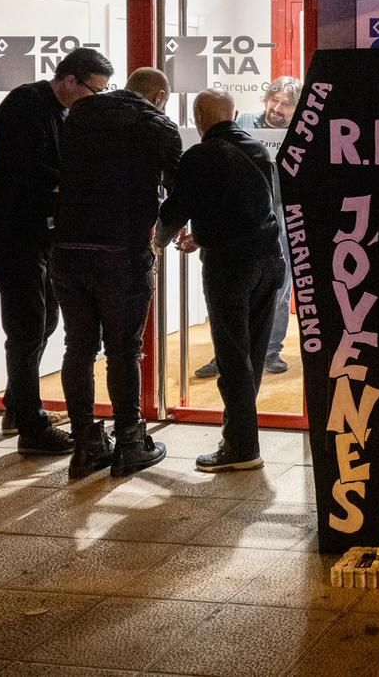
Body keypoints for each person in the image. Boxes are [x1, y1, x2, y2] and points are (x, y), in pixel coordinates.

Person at [0, 47, 113, 456]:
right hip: (11, 234)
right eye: (94, 90)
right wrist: (76, 184)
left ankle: (18, 406)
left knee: (44, 320)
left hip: (38, 236)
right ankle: (31, 427)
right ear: (70, 80)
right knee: (26, 327)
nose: (95, 99)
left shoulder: (67, 112)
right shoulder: (25, 103)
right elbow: (26, 169)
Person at [52, 67, 181, 479]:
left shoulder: (77, 116)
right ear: (159, 95)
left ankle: (86, 445)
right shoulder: (157, 124)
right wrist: (166, 233)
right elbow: (178, 190)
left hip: (69, 249)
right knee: (124, 349)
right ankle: (129, 441)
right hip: (122, 252)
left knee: (78, 347)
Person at [156, 89, 285, 472]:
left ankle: (242, 448)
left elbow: (177, 208)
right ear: (236, 113)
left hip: (231, 267)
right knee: (252, 356)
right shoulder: (258, 150)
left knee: (232, 358)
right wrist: (204, 234)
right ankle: (241, 436)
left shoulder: (200, 155)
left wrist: (158, 242)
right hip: (268, 261)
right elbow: (249, 207)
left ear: (198, 118)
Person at [196, 75, 299, 380]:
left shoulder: (300, 132)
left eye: (286, 104)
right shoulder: (246, 123)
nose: (277, 108)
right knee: (228, 296)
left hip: (280, 217)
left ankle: (270, 350)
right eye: (274, 99)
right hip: (239, 218)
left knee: (279, 289)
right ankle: (225, 354)